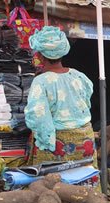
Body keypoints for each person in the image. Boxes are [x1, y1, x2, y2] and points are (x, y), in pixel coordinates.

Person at [25, 26, 95, 164]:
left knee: (53, 183)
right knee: (84, 180)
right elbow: (86, 103)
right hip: (85, 140)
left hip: (57, 144)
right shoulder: (79, 76)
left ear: (40, 56)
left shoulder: (41, 81)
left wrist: (46, 141)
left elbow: (37, 115)